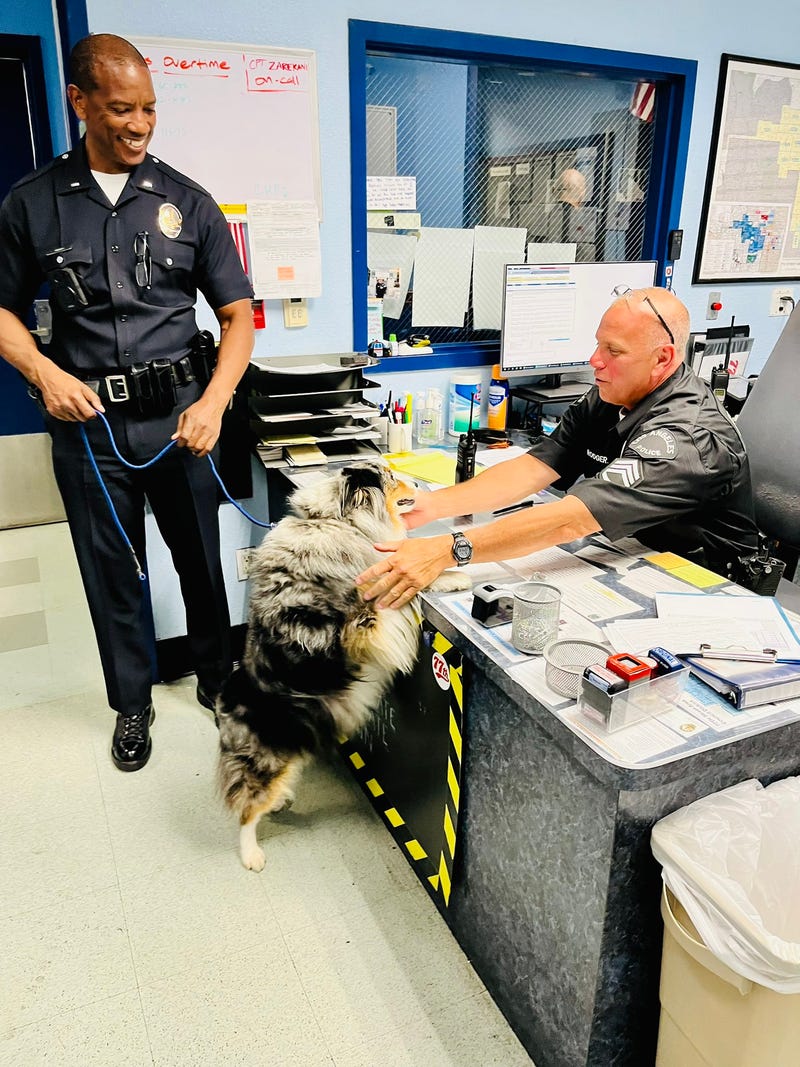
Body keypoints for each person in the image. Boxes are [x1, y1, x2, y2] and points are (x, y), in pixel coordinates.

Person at [0, 34, 255, 770]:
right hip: (89, 429)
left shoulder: (187, 201)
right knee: (112, 568)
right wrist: (44, 373)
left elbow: (237, 316)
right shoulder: (31, 204)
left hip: (181, 417)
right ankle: (133, 703)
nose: (138, 124)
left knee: (200, 562)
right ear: (79, 102)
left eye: (148, 109)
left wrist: (214, 402)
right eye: (120, 109)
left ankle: (215, 679)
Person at [355, 287, 760, 609]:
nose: (594, 360)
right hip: (628, 551)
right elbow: (539, 465)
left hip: (701, 585)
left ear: (663, 359)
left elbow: (573, 520)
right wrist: (436, 505)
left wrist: (449, 550)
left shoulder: (685, 438)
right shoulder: (615, 392)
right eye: (598, 345)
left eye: (613, 351)